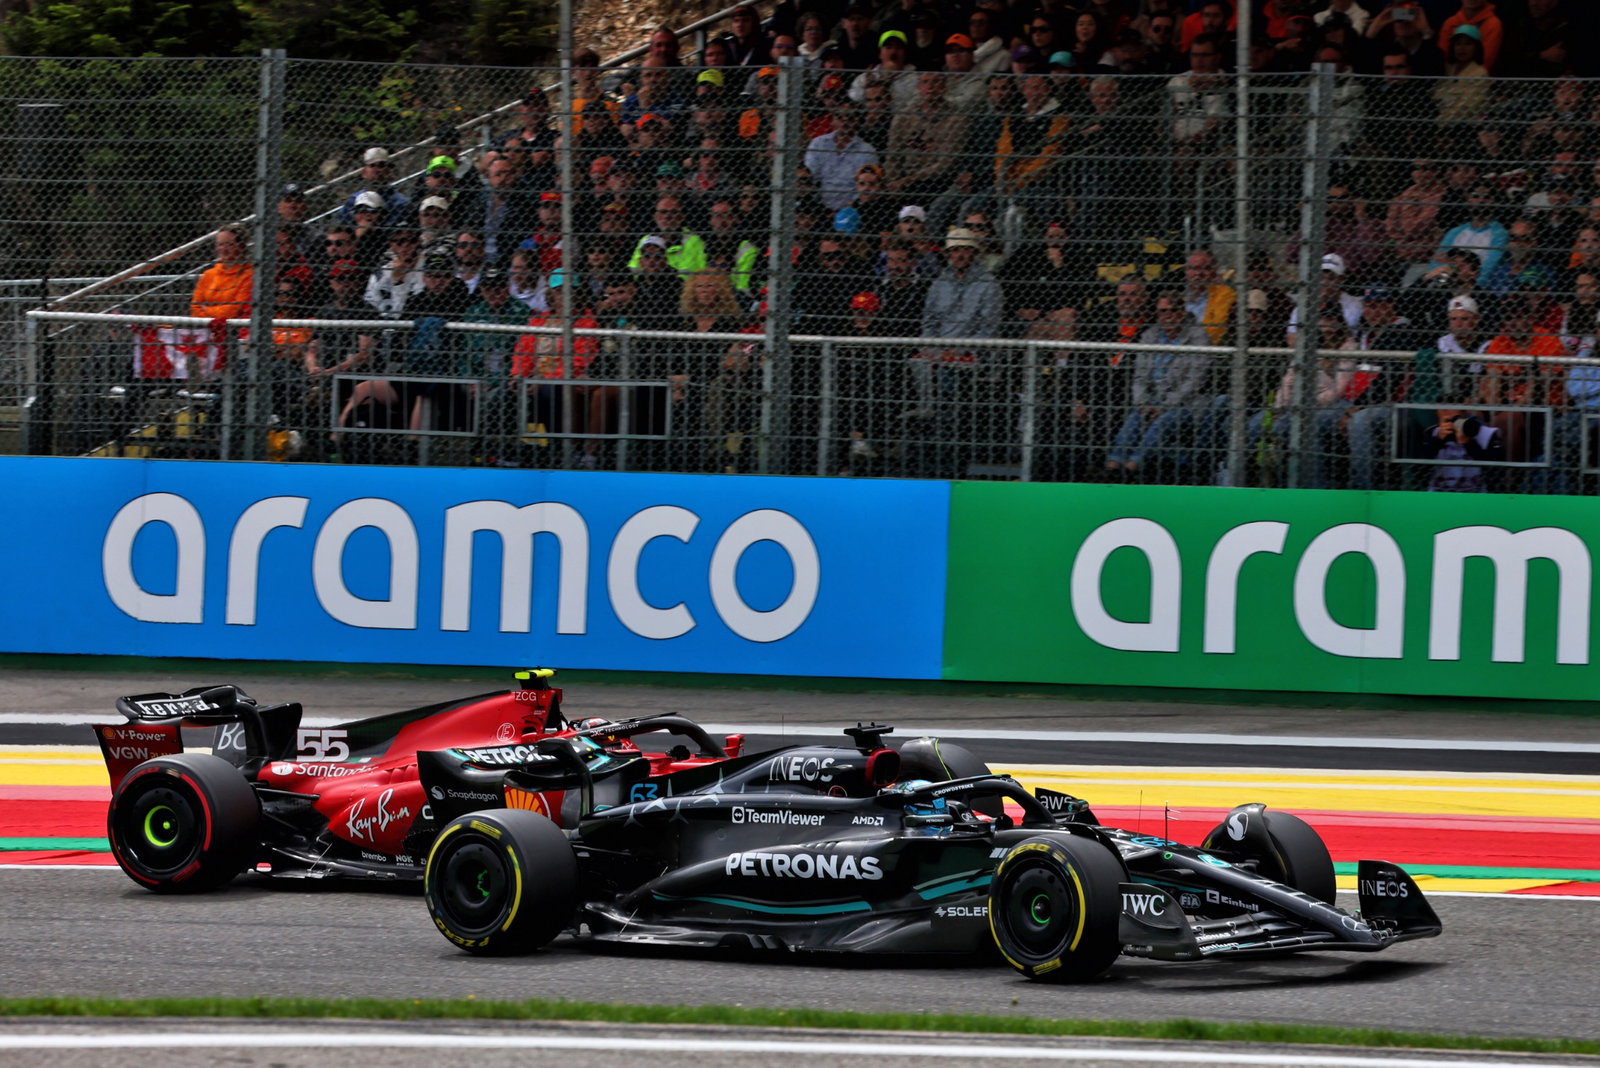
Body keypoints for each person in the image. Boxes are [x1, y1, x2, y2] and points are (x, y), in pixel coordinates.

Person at [1106, 295, 1215, 480]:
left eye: (1172, 311)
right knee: (1134, 419)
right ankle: (1113, 465)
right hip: (1151, 401)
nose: (1168, 316)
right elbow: (1139, 377)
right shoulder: (1150, 335)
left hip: (1186, 404)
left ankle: (1132, 467)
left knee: (1163, 421)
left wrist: (1164, 406)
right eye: (1162, 312)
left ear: (1182, 313)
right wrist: (1142, 403)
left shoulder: (1197, 336)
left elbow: (1194, 382)